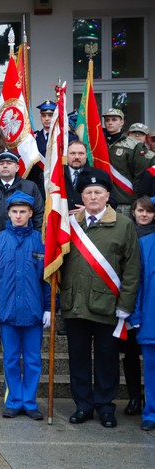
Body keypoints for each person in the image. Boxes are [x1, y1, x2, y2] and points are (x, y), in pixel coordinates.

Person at [62, 168, 139, 427]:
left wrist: (126, 305)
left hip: (108, 306)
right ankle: (83, 406)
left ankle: (105, 407)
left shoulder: (124, 225)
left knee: (107, 360)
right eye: (88, 192)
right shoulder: (68, 224)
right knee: (78, 359)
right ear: (81, 196)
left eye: (98, 192)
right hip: (75, 304)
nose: (93, 197)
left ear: (107, 195)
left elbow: (131, 269)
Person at [0, 191, 50, 420]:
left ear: (31, 213)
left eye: (23, 212)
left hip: (33, 312)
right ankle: (13, 400)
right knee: (10, 359)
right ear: (8, 213)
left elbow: (49, 278)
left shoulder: (40, 241)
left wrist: (50, 307)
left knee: (32, 360)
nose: (18, 216)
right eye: (14, 212)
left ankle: (29, 402)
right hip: (7, 311)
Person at [123, 195, 155, 416]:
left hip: (148, 306)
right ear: (133, 212)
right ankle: (136, 398)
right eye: (140, 210)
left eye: (149, 211)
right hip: (131, 304)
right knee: (131, 354)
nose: (144, 215)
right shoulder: (126, 232)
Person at [0, 151, 44, 235]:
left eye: (9, 163)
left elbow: (39, 214)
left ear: (17, 168)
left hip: (24, 240)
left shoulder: (30, 187)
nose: (5, 166)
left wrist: (37, 237)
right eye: (1, 164)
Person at [129, 220, 155, 430]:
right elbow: (137, 283)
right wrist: (135, 315)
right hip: (150, 318)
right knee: (151, 369)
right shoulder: (145, 244)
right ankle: (151, 412)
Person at [103, 108, 151, 214]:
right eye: (107, 120)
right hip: (101, 201)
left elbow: (139, 175)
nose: (110, 122)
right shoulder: (98, 141)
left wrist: (135, 200)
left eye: (114, 119)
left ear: (122, 122)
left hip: (124, 202)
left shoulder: (133, 144)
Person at [64, 140, 89, 212]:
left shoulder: (98, 175)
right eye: (72, 153)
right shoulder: (56, 175)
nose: (77, 157)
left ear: (86, 155)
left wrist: (89, 210)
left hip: (87, 221)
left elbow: (111, 201)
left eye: (81, 153)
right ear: (66, 155)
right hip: (60, 220)